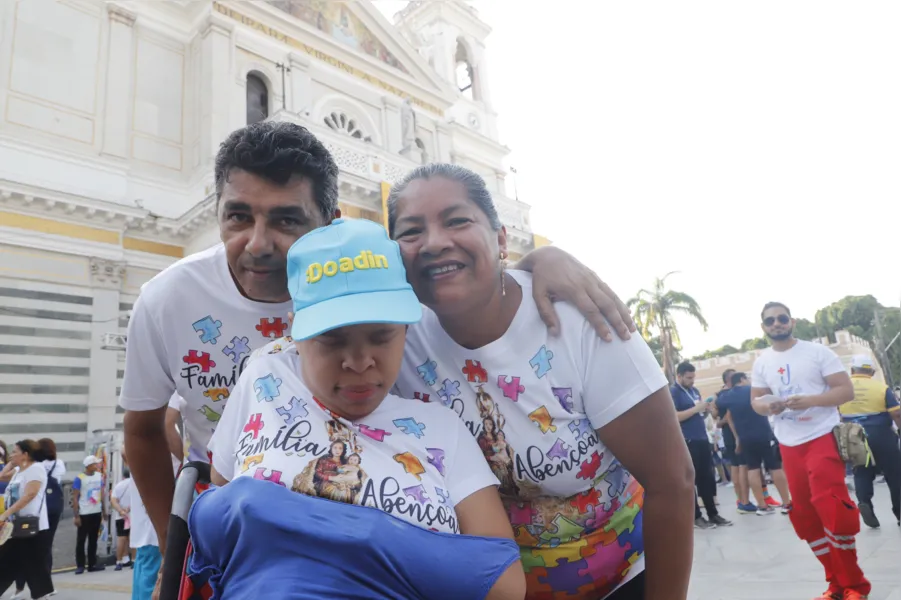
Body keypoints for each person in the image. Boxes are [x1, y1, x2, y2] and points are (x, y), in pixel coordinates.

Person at [119, 120, 637, 561]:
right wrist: (178, 551)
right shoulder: (167, 301)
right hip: (246, 536)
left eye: (287, 220)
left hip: (388, 524)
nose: (257, 244)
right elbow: (142, 432)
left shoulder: (376, 287)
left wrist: (537, 261)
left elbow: (460, 275)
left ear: (332, 225)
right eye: (238, 216)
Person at [386, 164, 696, 600]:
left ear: (500, 239)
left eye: (458, 220)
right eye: (411, 231)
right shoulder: (391, 337)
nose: (435, 242)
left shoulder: (578, 322)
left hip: (625, 579)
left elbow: (673, 481)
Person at [197, 218, 525, 599]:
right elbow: (217, 518)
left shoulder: (441, 429)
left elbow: (504, 582)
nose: (358, 361)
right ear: (295, 334)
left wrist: (365, 539)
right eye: (332, 339)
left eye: (381, 336)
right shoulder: (265, 379)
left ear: (405, 331)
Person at [750, 301, 868, 600]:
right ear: (763, 327)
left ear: (792, 322)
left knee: (830, 505)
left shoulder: (817, 352)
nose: (777, 324)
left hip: (821, 436)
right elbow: (756, 401)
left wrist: (812, 400)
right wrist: (769, 405)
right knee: (804, 514)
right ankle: (836, 584)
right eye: (770, 321)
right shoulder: (762, 361)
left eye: (782, 318)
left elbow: (845, 391)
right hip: (788, 444)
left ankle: (855, 585)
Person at [718, 372, 791, 515]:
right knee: (775, 467)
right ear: (742, 379)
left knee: (753, 469)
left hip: (745, 437)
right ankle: (786, 503)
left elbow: (721, 407)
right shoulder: (752, 390)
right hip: (763, 434)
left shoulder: (727, 396)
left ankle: (762, 506)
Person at [841, 354, 901, 528]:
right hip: (881, 434)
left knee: (861, 471)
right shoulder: (881, 388)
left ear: (852, 370)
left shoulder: (843, 389)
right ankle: (899, 513)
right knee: (895, 474)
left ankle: (864, 502)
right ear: (871, 371)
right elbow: (896, 413)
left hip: (853, 436)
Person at [672, 361, 732, 529]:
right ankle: (696, 517)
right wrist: (695, 408)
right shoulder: (674, 392)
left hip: (701, 438)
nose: (692, 381)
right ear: (679, 376)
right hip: (687, 440)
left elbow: (697, 413)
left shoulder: (694, 391)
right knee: (692, 480)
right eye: (689, 378)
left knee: (707, 478)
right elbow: (674, 416)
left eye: (693, 377)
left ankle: (713, 514)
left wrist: (704, 409)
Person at [0, 440, 55, 599]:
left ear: (26, 454)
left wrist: (5, 513)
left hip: (33, 527)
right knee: (10, 561)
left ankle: (41, 594)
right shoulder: (19, 471)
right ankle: (41, 593)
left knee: (33, 565)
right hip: (17, 526)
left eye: (15, 451)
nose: (11, 454)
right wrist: (11, 463)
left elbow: (29, 495)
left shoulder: (36, 469)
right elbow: (2, 476)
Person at [72, 455, 105, 574]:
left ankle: (92, 564)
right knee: (81, 540)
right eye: (95, 464)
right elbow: (75, 497)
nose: (97, 466)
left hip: (96, 511)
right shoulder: (79, 478)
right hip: (84, 513)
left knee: (93, 539)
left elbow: (102, 494)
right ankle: (80, 565)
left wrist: (104, 510)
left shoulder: (99, 476)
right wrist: (76, 515)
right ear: (89, 465)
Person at [111, 470, 134, 570]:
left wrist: (120, 510)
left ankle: (119, 561)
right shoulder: (135, 484)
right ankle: (134, 560)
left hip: (121, 516)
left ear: (123, 476)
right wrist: (128, 509)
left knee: (121, 539)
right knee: (132, 539)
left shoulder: (118, 485)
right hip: (132, 516)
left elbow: (113, 501)